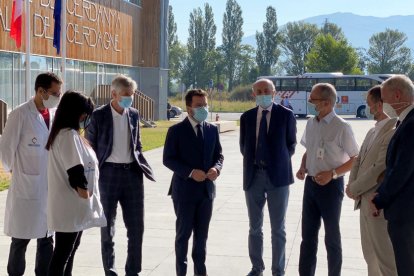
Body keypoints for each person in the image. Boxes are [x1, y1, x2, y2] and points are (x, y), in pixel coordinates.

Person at [86, 74, 155, 276]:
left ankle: (133, 270)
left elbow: (137, 144)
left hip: (132, 175)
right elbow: (89, 148)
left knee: (136, 228)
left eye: (132, 94)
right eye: (126, 95)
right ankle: (110, 270)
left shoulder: (133, 113)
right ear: (113, 93)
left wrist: (141, 161)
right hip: (108, 175)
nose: (129, 98)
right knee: (107, 228)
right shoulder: (98, 116)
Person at [0, 72, 62, 276]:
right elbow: (6, 153)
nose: (57, 96)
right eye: (54, 93)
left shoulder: (53, 115)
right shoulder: (19, 114)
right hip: (26, 188)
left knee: (47, 239)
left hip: (49, 187)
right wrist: (22, 174)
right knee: (20, 239)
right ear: (40, 91)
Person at [296, 83, 359, 276]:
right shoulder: (311, 122)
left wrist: (332, 174)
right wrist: (302, 166)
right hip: (311, 185)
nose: (308, 102)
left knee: (331, 238)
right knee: (307, 237)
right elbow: (310, 149)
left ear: (326, 102)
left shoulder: (342, 126)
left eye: (312, 99)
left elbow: (355, 159)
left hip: (332, 187)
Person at [163, 89, 223, 276]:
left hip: (206, 192)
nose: (203, 108)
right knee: (183, 236)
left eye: (205, 105)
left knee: (201, 237)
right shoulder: (176, 131)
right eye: (199, 106)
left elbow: (219, 155)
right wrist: (189, 172)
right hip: (184, 192)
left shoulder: (212, 129)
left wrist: (216, 169)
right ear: (189, 108)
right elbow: (168, 159)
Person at [239, 79, 297, 276]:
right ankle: (257, 268)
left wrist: (276, 163)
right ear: (253, 94)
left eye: (267, 91)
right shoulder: (246, 117)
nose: (263, 94)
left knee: (278, 228)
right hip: (253, 176)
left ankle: (277, 270)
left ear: (274, 93)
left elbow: (291, 144)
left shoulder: (286, 115)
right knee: (254, 227)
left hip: (278, 179)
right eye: (259, 91)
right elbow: (243, 147)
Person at [46, 90, 106, 276]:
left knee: (68, 253)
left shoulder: (71, 135)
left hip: (74, 208)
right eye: (84, 114)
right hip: (70, 206)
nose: (86, 118)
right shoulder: (67, 136)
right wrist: (85, 194)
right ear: (75, 113)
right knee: (62, 254)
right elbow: (75, 172)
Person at [346, 86, 397, 276]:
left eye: (369, 104)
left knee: (385, 257)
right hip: (363, 201)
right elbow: (359, 160)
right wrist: (352, 185)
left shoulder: (391, 131)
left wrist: (355, 187)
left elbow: (379, 168)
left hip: (377, 203)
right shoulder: (371, 131)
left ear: (379, 104)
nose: (367, 107)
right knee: (370, 256)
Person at [371, 75, 414, 276]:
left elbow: (401, 169)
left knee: (407, 265)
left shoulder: (411, 125)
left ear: (397, 95)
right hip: (404, 210)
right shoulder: (405, 121)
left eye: (384, 98)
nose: (383, 104)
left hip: (406, 212)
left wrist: (380, 198)